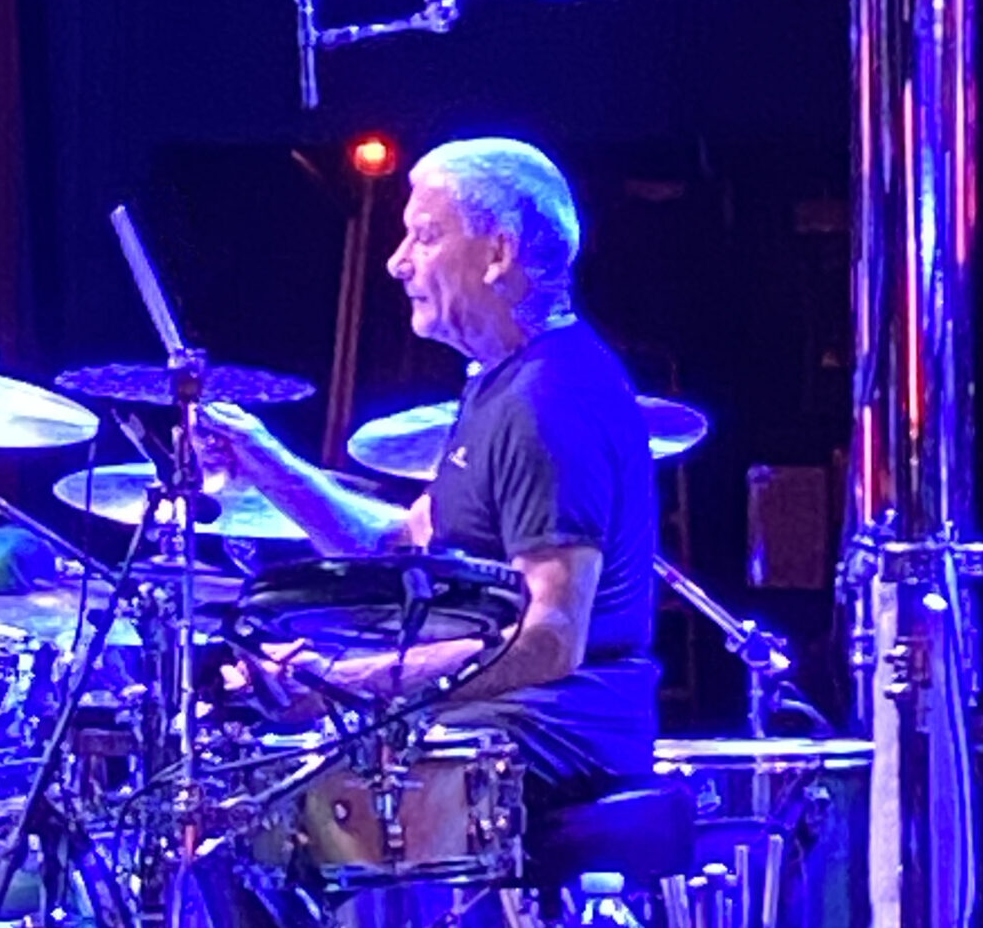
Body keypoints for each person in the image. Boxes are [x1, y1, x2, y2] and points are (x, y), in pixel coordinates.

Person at [205, 134, 658, 800]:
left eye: (424, 236)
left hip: (547, 735)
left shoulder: (550, 400)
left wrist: (345, 681)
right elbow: (400, 548)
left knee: (281, 796)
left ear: (497, 253)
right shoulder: (501, 382)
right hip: (498, 723)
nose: (397, 263)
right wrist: (265, 462)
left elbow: (550, 640)